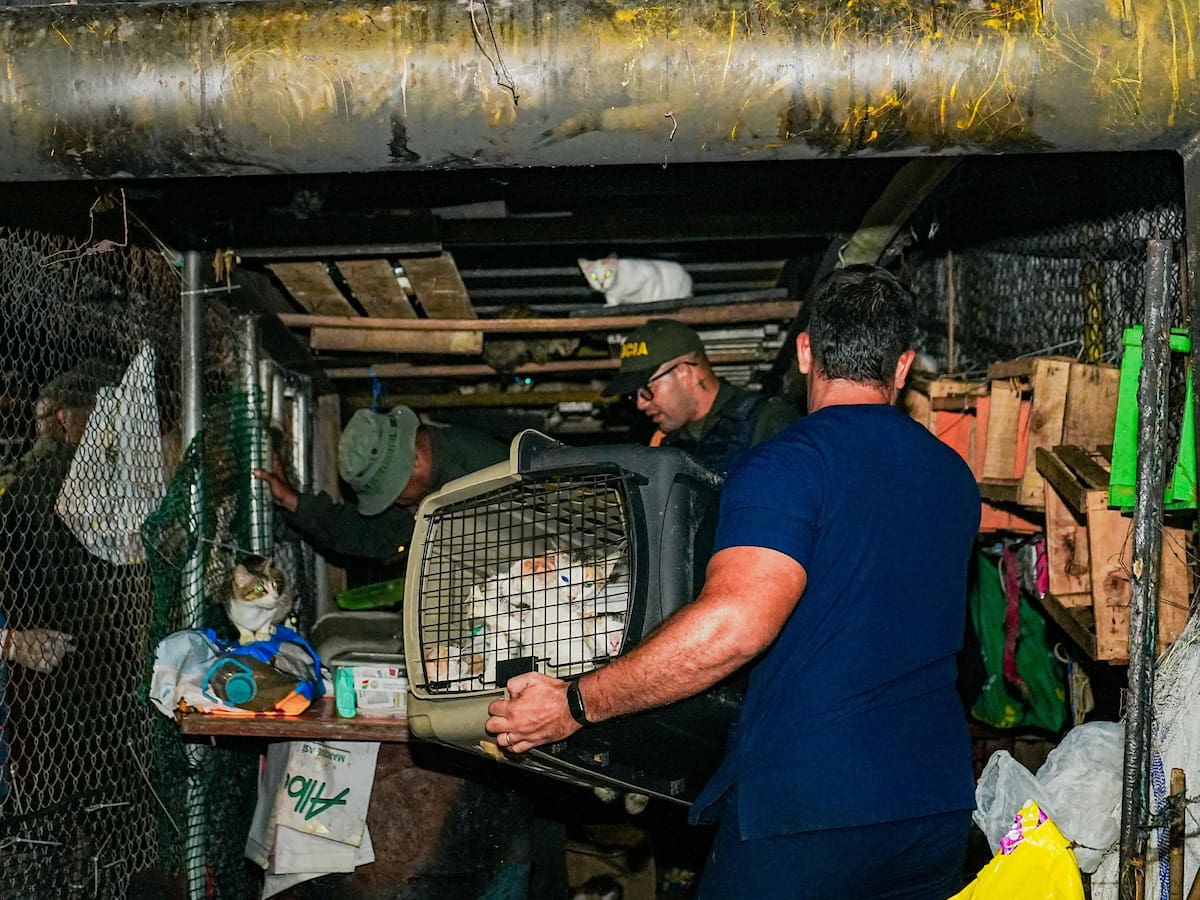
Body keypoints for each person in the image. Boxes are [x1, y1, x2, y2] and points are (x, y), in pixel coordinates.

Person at [487, 266, 981, 899]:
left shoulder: (787, 462)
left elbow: (737, 625)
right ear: (905, 364)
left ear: (806, 352)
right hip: (932, 806)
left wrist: (573, 703)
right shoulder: (951, 475)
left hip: (811, 807)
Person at [253, 405, 508, 566]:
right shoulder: (430, 483)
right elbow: (367, 532)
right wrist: (293, 501)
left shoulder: (483, 476)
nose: (394, 502)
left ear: (415, 463)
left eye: (392, 494)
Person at [603, 318, 798, 476]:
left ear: (685, 372)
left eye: (647, 388)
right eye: (634, 394)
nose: (640, 403)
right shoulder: (663, 445)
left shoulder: (768, 421)